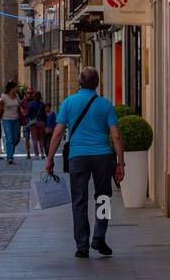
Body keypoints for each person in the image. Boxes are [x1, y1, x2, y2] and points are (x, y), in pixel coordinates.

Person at [45, 66, 125, 258]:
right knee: (103, 197)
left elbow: (57, 133)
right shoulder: (105, 105)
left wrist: (49, 160)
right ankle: (99, 238)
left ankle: (82, 245)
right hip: (103, 157)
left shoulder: (69, 103)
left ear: (79, 82)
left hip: (78, 157)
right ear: (97, 84)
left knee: (79, 201)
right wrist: (121, 162)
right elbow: (116, 135)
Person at [0, 80, 22, 164]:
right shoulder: (4, 97)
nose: (17, 89)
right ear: (12, 88)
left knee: (15, 138)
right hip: (6, 120)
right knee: (9, 138)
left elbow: (19, 107)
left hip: (16, 120)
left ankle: (10, 154)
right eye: (16, 87)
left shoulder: (17, 97)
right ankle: (10, 157)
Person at [28, 92, 47, 159]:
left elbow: (29, 114)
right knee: (41, 139)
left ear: (34, 96)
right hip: (41, 123)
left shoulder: (31, 104)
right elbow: (44, 115)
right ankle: (42, 153)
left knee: (34, 140)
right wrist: (45, 124)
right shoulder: (43, 104)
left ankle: (36, 154)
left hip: (33, 123)